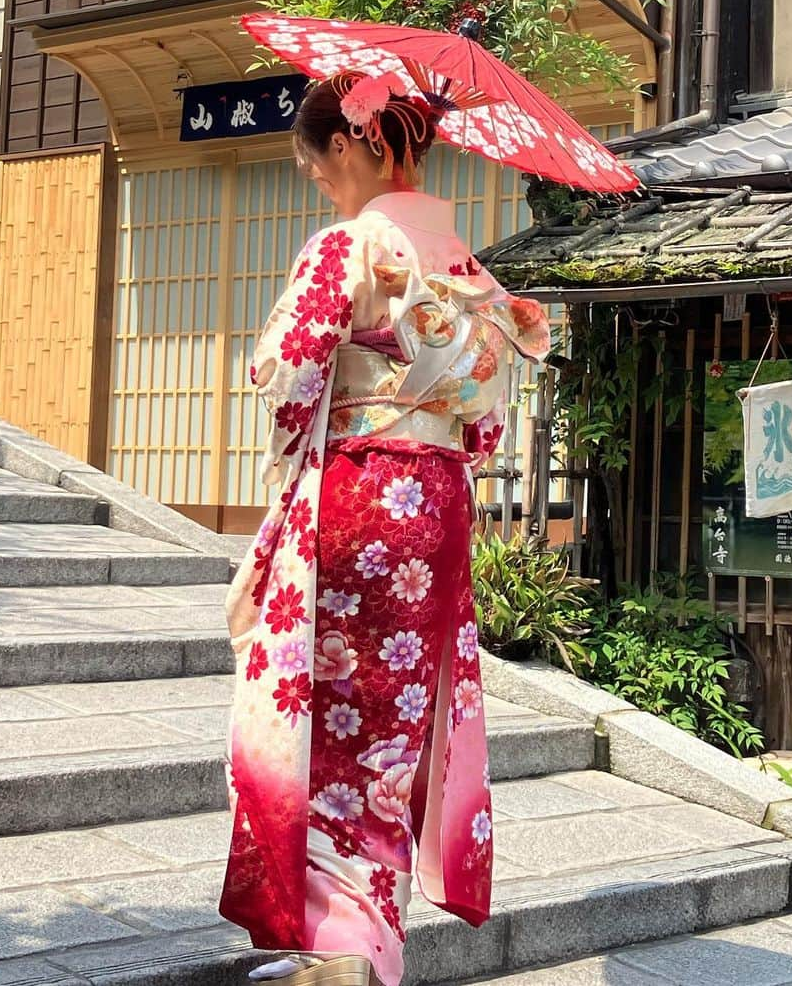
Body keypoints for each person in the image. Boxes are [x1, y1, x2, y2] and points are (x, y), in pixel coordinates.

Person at [219, 71, 550, 986]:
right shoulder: (474, 275)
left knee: (324, 720)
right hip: (437, 507)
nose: (317, 179)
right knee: (397, 729)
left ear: (357, 142)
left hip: (359, 499)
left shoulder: (350, 247)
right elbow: (484, 426)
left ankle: (336, 950)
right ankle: (368, 946)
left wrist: (311, 441)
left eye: (316, 160)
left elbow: (283, 375)